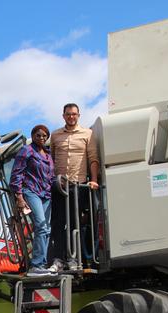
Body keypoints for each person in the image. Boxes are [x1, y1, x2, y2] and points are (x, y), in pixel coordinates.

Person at [47, 103, 100, 272]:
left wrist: (93, 180)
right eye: (68, 114)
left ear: (79, 115)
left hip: (78, 185)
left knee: (74, 223)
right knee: (57, 223)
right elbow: (51, 160)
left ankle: (73, 258)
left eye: (74, 114)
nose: (71, 117)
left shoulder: (88, 134)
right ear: (63, 116)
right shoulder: (55, 135)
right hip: (59, 185)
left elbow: (93, 158)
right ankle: (58, 260)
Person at [9, 124, 55, 276]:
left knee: (47, 229)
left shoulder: (48, 155)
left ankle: (42, 264)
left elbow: (51, 177)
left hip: (46, 194)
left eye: (44, 136)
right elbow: (16, 175)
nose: (41, 138)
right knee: (41, 226)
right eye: (38, 135)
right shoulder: (26, 151)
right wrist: (19, 196)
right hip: (31, 191)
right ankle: (36, 265)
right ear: (33, 136)